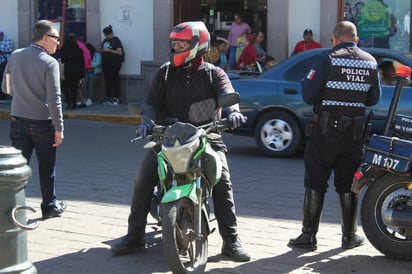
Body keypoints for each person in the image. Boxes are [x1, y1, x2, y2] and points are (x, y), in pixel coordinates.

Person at [111, 21, 251, 262]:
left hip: (206, 137)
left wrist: (234, 113)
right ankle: (135, 235)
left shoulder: (213, 73)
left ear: (197, 44)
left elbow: (227, 95)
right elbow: (151, 105)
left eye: (181, 43)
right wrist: (146, 123)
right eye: (174, 42)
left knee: (222, 182)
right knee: (143, 177)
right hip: (167, 138)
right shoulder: (165, 72)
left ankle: (231, 240)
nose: (175, 47)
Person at [287, 21, 381, 251]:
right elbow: (373, 99)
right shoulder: (370, 62)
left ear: (334, 39)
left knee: (316, 181)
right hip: (354, 135)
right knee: (348, 184)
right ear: (356, 39)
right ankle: (349, 237)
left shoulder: (328, 58)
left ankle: (308, 237)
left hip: (325, 132)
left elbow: (308, 94)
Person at [1, 19, 66, 220]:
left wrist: (22, 95)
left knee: (18, 167)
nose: (58, 43)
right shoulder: (49, 62)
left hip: (18, 119)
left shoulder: (15, 55)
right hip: (43, 123)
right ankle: (49, 207)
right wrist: (59, 127)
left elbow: (6, 88)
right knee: (47, 168)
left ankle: (13, 207)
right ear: (46, 38)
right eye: (56, 38)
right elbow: (54, 98)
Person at [60, 34, 85, 109]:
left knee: (64, 87)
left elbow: (62, 60)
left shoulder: (64, 49)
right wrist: (82, 74)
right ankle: (74, 103)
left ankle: (69, 101)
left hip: (66, 72)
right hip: (76, 72)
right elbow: (82, 62)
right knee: (74, 88)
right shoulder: (79, 50)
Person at [101, 25, 123, 106]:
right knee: (107, 81)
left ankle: (116, 98)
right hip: (105, 64)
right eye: (105, 35)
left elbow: (119, 52)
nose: (106, 36)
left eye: (107, 34)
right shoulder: (104, 41)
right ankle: (108, 98)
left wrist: (108, 50)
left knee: (115, 81)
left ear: (111, 33)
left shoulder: (116, 40)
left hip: (114, 64)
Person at [0, 31, 13, 100]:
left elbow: (10, 49)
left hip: (6, 63)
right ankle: (1, 96)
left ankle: (7, 95)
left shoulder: (8, 40)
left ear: (2, 36)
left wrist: (1, 50)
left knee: (6, 79)